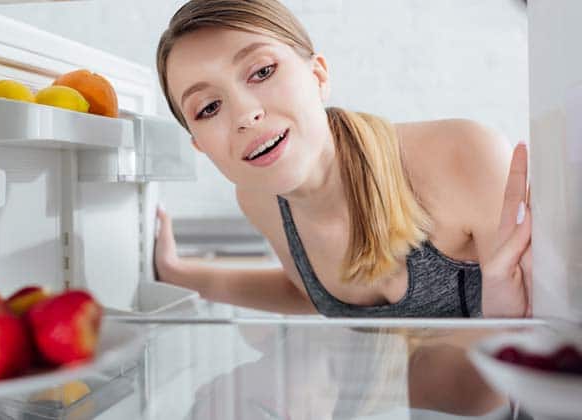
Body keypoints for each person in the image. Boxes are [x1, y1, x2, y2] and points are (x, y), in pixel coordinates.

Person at [152, 0, 532, 318]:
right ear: (200, 145)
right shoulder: (258, 199)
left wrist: (509, 320)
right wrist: (177, 274)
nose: (244, 115)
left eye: (262, 72)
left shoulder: (465, 154)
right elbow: (305, 292)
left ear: (318, 75)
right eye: (209, 108)